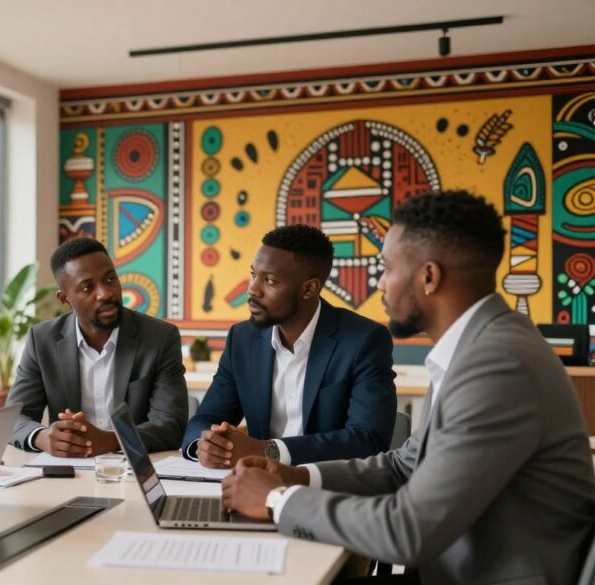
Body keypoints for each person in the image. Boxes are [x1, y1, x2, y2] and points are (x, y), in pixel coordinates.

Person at [221, 191, 595, 585]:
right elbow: (404, 465)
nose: (380, 284)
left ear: (429, 277)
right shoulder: (477, 348)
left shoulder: (499, 364)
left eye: (387, 268)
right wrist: (294, 476)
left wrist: (277, 499)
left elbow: (409, 531)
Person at [182, 224, 396, 467]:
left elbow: (368, 438)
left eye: (269, 280)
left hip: (328, 486)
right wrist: (205, 444)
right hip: (257, 486)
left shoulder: (363, 340)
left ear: (308, 289)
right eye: (254, 275)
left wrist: (268, 450)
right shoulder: (242, 339)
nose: (252, 289)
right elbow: (206, 418)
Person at [6, 237, 187, 456]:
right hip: (69, 472)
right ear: (65, 299)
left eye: (110, 279)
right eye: (87, 287)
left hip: (132, 470)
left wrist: (111, 440)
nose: (105, 293)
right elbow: (14, 418)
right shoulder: (42, 340)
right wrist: (43, 437)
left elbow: (171, 425)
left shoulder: (159, 337)